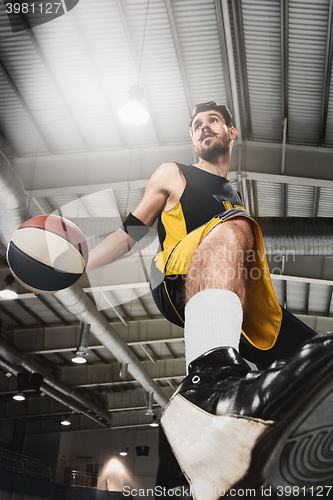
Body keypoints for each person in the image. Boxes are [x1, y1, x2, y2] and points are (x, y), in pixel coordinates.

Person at [86, 102, 333, 497]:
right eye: (197, 125)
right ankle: (209, 383)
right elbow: (129, 232)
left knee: (315, 356)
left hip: (232, 286)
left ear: (231, 132)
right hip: (176, 272)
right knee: (238, 226)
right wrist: (81, 265)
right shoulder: (173, 173)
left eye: (213, 121)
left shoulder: (234, 195)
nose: (204, 128)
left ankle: (241, 434)